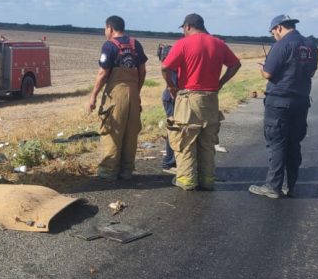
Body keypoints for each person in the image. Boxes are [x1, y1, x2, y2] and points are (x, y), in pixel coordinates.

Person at [161, 13, 241, 190]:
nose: (183, 31)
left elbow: (165, 67)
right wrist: (220, 83)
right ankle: (207, 180)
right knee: (207, 142)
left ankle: (187, 180)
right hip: (211, 99)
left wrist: (171, 86)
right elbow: (235, 64)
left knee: (185, 141)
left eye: (183, 28)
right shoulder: (219, 43)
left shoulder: (183, 43)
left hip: (188, 98)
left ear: (188, 26)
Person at [249, 15, 318, 199]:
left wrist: (262, 69)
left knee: (276, 142)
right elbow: (311, 72)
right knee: (294, 143)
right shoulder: (311, 45)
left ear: (279, 27)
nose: (274, 36)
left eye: (273, 32)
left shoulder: (282, 45)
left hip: (279, 101)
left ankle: (273, 187)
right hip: (301, 100)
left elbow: (268, 73)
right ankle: (290, 185)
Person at [88, 15, 148, 180]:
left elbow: (103, 73)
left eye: (105, 29)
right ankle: (126, 170)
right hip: (134, 93)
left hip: (116, 95)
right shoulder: (136, 44)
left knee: (112, 131)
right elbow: (142, 71)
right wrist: (136, 90)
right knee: (131, 133)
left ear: (110, 28)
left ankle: (108, 172)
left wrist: (93, 96)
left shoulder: (109, 46)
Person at [159, 44, 177, 174]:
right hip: (171, 98)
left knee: (174, 129)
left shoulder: (171, 68)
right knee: (174, 130)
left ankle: (171, 160)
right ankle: (169, 162)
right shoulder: (172, 68)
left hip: (169, 98)